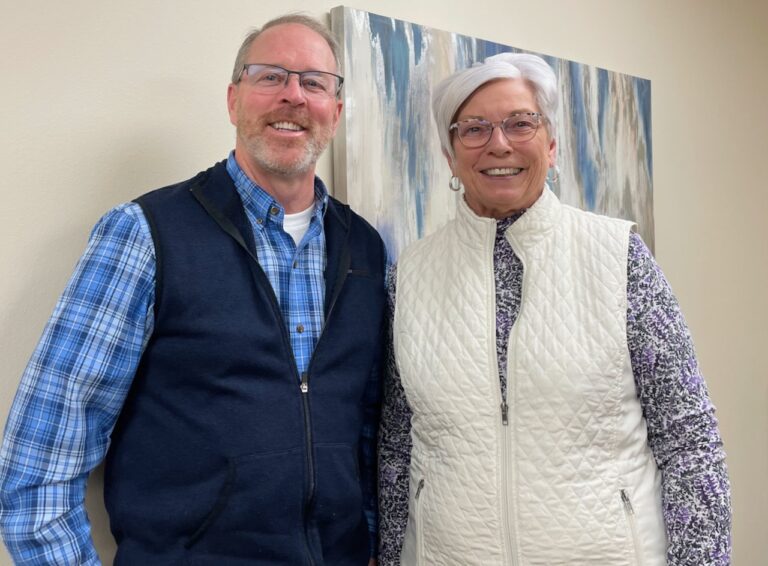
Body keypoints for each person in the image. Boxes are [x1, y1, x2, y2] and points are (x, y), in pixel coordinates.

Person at [0, 14, 385, 566]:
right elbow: (40, 461)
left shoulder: (366, 248)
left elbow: (369, 430)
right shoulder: (145, 234)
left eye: (314, 82)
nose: (294, 96)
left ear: (336, 112)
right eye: (270, 76)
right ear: (233, 100)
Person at [378, 52, 731, 565]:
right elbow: (396, 445)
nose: (499, 143)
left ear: (551, 143)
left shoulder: (618, 257)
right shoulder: (410, 275)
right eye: (473, 129)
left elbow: (688, 437)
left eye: (520, 122)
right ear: (450, 156)